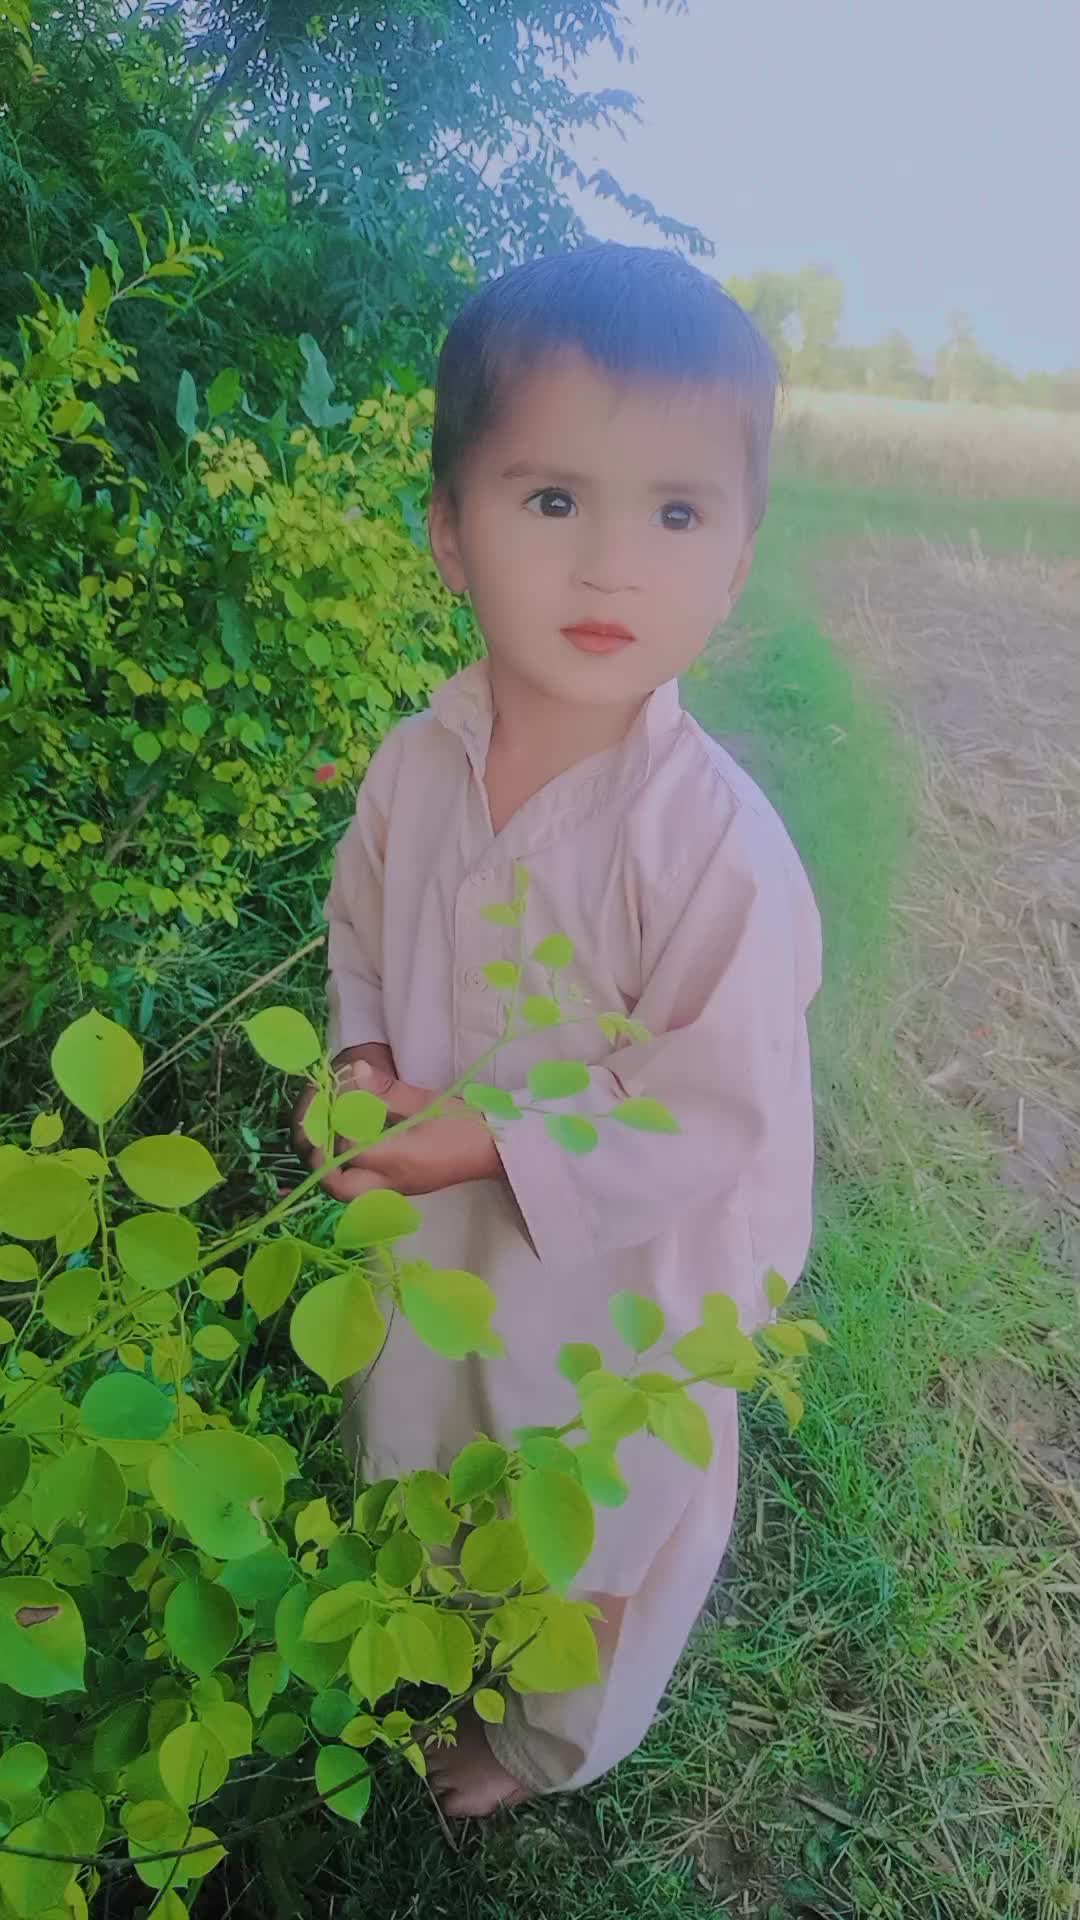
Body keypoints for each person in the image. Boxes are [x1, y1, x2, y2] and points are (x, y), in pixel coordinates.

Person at [304, 244, 821, 1815]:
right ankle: (427, 1617)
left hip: (626, 1284)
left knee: (588, 1505)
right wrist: (361, 1062)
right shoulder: (413, 767)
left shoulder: (712, 845)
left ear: (737, 561)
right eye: (551, 499)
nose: (611, 568)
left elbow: (712, 1106)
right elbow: (361, 942)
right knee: (437, 1417)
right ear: (449, 530)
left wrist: (489, 1140)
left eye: (676, 514)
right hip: (445, 1229)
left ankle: (535, 1744)